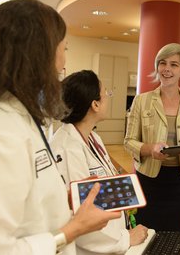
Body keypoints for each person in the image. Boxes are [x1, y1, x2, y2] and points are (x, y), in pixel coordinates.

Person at [0, 0, 121, 255]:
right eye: (64, 49)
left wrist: (65, 201)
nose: (63, 65)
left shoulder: (20, 116)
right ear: (40, 54)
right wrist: (71, 230)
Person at [50, 70, 148, 254]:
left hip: (112, 234)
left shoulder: (93, 138)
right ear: (95, 104)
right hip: (94, 248)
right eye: (106, 94)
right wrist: (126, 239)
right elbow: (82, 218)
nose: (108, 98)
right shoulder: (68, 149)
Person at [124, 43, 180, 232]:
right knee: (145, 235)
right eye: (162, 63)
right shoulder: (141, 101)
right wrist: (150, 149)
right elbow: (128, 141)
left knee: (177, 235)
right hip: (149, 182)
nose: (167, 69)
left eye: (174, 64)